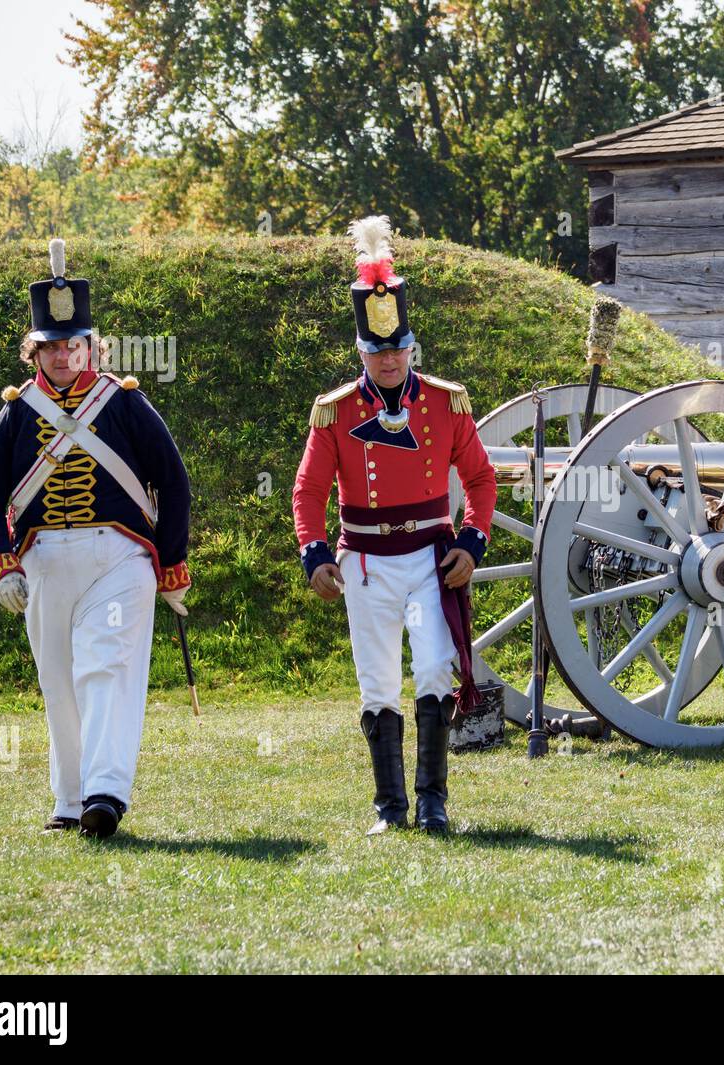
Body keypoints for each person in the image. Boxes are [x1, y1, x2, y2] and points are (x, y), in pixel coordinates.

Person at [0, 239, 191, 837]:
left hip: (118, 558)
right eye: (52, 346)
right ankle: (69, 801)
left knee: (106, 667)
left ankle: (105, 793)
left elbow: (172, 481)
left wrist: (171, 564)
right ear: (35, 351)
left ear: (91, 346)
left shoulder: (124, 403)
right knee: (59, 682)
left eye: (74, 344)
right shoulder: (17, 412)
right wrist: (1, 562)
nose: (64, 354)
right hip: (44, 562)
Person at [292, 216, 495, 835]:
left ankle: (433, 801)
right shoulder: (333, 412)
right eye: (377, 351)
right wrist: (315, 552)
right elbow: (308, 491)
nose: (389, 359)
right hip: (364, 562)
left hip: (431, 559)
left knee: (433, 667)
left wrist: (471, 540)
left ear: (412, 348)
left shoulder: (445, 402)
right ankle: (390, 808)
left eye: (397, 349)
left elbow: (481, 480)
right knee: (377, 681)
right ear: (362, 353)